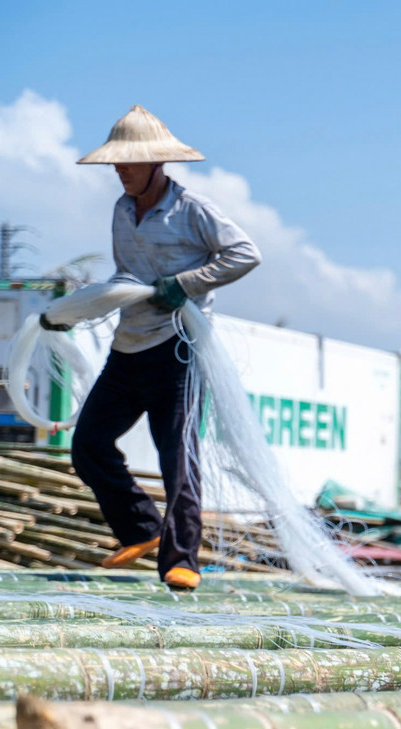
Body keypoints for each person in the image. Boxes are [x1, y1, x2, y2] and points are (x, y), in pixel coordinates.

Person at [54, 106, 260, 591]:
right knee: (88, 446)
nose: (120, 172)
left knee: (178, 458)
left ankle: (180, 560)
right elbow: (124, 277)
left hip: (179, 349)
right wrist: (75, 310)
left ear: (157, 164)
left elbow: (245, 253)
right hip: (129, 347)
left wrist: (186, 283)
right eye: (116, 164)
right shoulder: (122, 211)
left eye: (129, 163)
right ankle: (141, 530)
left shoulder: (194, 211)